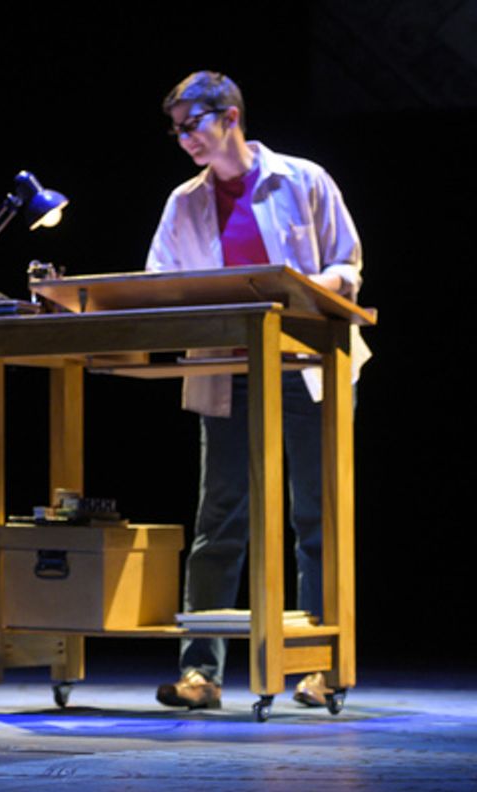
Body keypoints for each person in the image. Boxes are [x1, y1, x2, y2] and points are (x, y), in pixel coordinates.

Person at [145, 71, 370, 710]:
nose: (184, 138)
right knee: (219, 519)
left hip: (305, 368)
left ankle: (322, 667)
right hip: (227, 373)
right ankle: (201, 675)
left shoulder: (302, 180)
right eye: (178, 129)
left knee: (315, 516)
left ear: (231, 115)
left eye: (193, 124)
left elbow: (346, 264)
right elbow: (161, 281)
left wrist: (308, 287)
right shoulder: (183, 202)